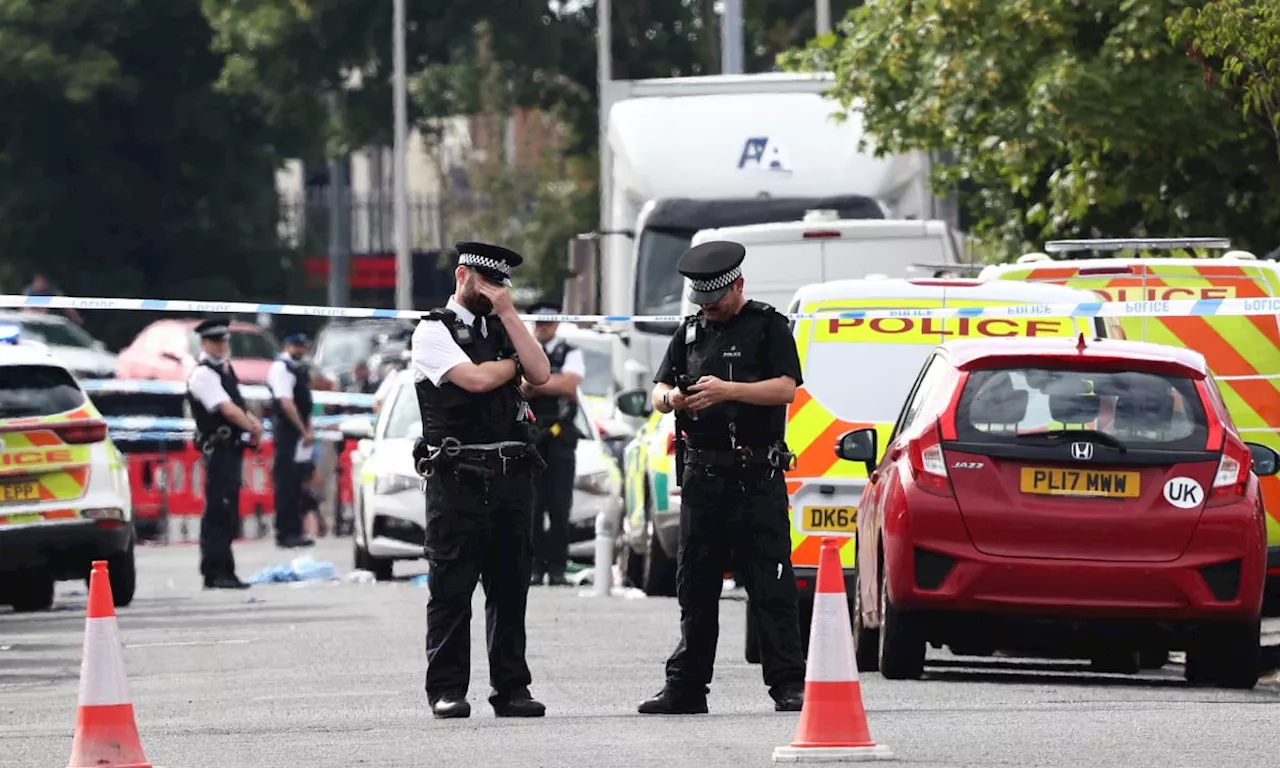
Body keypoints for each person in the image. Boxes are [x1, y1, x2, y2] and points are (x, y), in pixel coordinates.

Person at [638, 240, 807, 715]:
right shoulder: (690, 332)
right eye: (703, 304)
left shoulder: (768, 326)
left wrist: (728, 390)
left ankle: (788, 684)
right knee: (695, 586)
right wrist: (673, 400)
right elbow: (659, 387)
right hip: (702, 476)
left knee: (771, 584)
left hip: (755, 475)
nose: (710, 311)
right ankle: (686, 686)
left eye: (716, 302)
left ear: (738, 285)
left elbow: (786, 389)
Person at [411, 241, 552, 720]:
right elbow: (472, 380)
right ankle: (447, 689)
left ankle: (511, 688)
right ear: (462, 277)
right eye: (485, 281)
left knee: (510, 589)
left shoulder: (503, 326)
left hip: (512, 476)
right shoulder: (432, 330)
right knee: (451, 590)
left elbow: (542, 372)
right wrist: (510, 368)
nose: (493, 290)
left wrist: (510, 315)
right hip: (459, 479)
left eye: (500, 283)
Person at [186, 319, 265, 590]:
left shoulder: (223, 369)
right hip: (218, 449)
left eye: (224, 340)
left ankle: (225, 569)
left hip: (231, 449)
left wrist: (251, 423)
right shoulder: (203, 374)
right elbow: (227, 410)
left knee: (228, 510)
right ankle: (215, 571)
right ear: (204, 343)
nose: (222, 345)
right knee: (218, 511)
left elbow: (237, 404)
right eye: (216, 341)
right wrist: (253, 427)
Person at [522, 302, 585, 587]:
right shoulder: (524, 349)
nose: (542, 327)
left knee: (560, 507)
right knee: (530, 506)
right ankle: (533, 566)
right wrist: (547, 381)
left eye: (547, 323)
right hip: (530, 437)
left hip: (560, 438)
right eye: (538, 323)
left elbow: (569, 386)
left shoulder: (568, 351)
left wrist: (535, 383)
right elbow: (516, 386)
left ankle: (557, 567)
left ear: (557, 324)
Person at [266, 332, 319, 549]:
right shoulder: (281, 368)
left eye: (303, 346)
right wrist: (302, 429)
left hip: (299, 434)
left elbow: (304, 403)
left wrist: (308, 428)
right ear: (287, 346)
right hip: (288, 433)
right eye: (296, 346)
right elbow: (286, 403)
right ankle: (285, 532)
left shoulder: (297, 369)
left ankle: (295, 530)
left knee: (297, 483)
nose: (301, 350)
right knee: (286, 484)